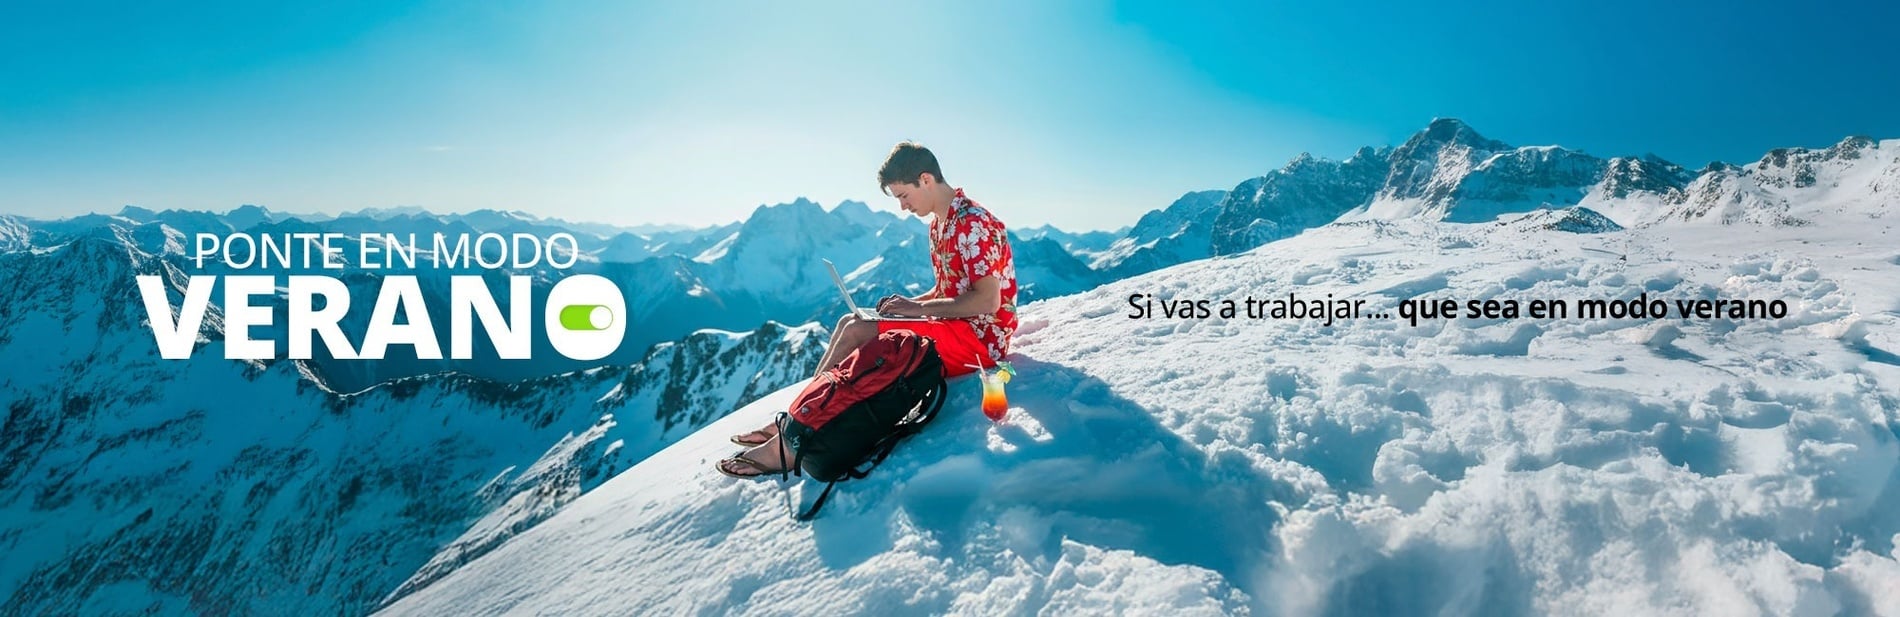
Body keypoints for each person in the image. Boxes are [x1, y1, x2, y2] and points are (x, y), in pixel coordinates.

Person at [718, 141, 1018, 477]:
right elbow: (948, 290)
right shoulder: (940, 223)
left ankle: (794, 438)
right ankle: (799, 422)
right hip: (955, 329)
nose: (903, 207)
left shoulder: (973, 222)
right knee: (851, 321)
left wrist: (916, 312)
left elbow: (987, 300)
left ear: (926, 180)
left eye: (904, 195)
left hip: (980, 342)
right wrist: (906, 306)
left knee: (860, 331)